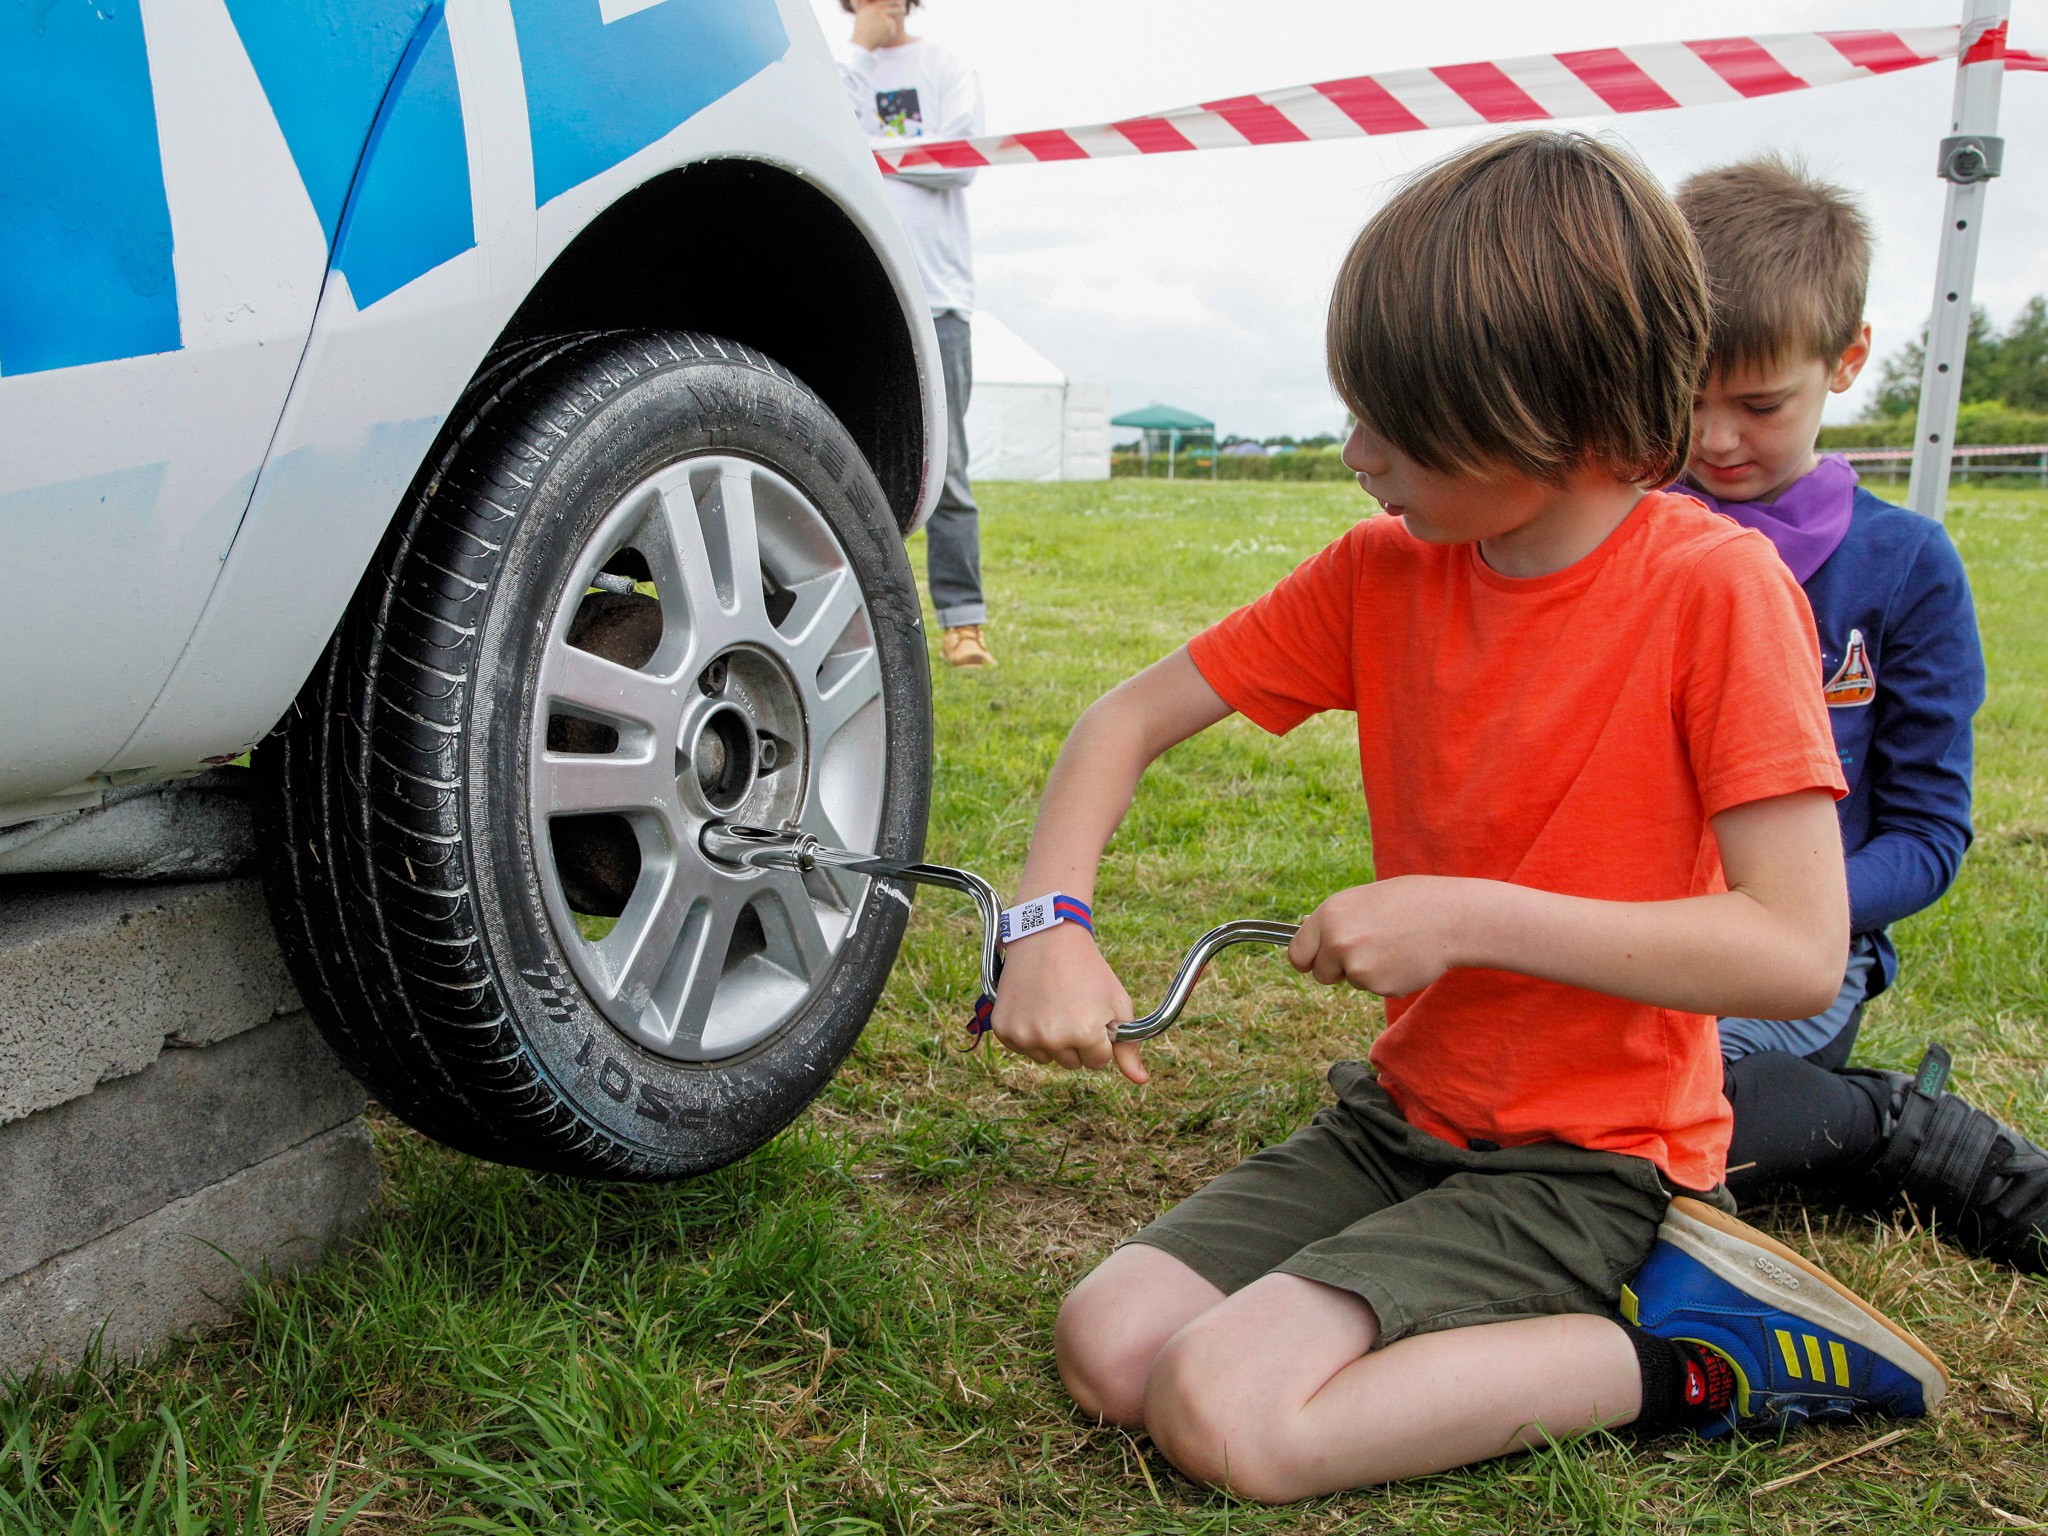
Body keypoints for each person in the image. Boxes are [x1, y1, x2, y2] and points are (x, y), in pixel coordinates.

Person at [986, 130, 1946, 1500]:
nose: (1355, 453)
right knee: (1111, 1346)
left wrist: (1468, 920)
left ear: (1562, 422)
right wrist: (1050, 924)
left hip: (1595, 1163)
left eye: (1401, 426)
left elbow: (1794, 950)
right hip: (1405, 1118)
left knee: (1227, 1416)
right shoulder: (1384, 570)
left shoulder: (1716, 594)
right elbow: (1122, 723)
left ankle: (1708, 1356)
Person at [1675, 157, 2047, 1273]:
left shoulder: (1905, 566)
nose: (1712, 438)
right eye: (1680, 395)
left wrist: (1790, 912)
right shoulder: (1620, 541)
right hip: (1617, 938)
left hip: (1794, 962)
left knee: (1646, 1099)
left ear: (1844, 362)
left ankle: (1904, 1132)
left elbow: (1929, 839)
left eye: (1756, 403)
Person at [836, 0, 995, 668]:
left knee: (946, 465)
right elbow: (820, 139)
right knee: (846, 463)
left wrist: (868, 153)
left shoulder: (945, 64)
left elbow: (958, 159)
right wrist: (856, 50)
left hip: (938, 299)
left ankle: (963, 624)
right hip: (855, 293)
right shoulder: (837, 66)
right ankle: (850, 627)